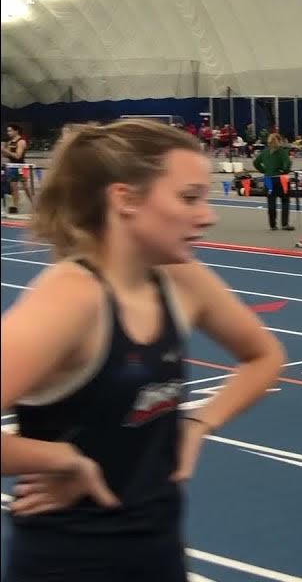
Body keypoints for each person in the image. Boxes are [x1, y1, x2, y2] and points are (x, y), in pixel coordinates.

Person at [1, 119, 285, 581]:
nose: (207, 216)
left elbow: (264, 357)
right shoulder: (71, 299)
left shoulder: (180, 280)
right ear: (125, 199)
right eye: (189, 197)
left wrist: (197, 424)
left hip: (159, 551)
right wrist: (59, 459)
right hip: (68, 564)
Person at [253, 133, 294, 231]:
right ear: (280, 141)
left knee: (271, 201)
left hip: (268, 179)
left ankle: (272, 225)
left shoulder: (265, 152)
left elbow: (256, 162)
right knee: (285, 201)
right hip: (281, 178)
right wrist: (284, 170)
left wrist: (264, 170)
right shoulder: (282, 152)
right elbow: (287, 163)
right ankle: (284, 224)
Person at [3, 123, 31, 214]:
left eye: (10, 130)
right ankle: (15, 206)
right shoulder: (9, 142)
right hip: (12, 166)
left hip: (21, 166)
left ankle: (34, 204)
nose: (8, 133)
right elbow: (7, 155)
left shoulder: (21, 141)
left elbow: (18, 156)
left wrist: (5, 150)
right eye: (7, 131)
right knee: (13, 187)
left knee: (25, 187)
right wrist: (3, 151)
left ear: (16, 131)